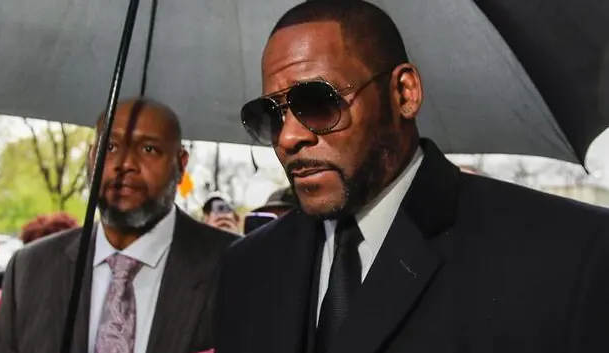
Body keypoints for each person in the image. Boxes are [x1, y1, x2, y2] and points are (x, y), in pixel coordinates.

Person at [215, 2, 609, 353]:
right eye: (270, 115)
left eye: (317, 102)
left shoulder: (566, 256)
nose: (289, 137)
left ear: (405, 93)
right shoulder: (248, 269)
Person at [0, 97, 238, 353]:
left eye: (148, 149)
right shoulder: (30, 269)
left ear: (181, 163)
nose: (125, 164)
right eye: (110, 146)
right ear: (91, 156)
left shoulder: (235, 265)